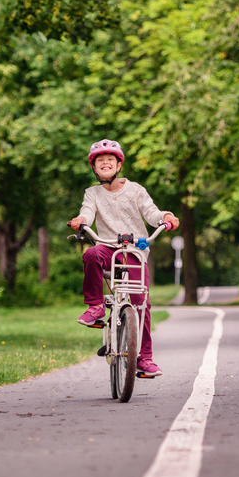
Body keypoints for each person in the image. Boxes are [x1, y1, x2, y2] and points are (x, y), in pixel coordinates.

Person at [68, 139, 180, 378]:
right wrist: (82, 221)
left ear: (119, 165)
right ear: (94, 169)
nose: (105, 163)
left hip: (136, 253)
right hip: (109, 249)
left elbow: (151, 212)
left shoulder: (136, 190)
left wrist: (166, 216)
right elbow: (87, 212)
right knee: (90, 253)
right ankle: (96, 307)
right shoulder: (92, 193)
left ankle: (144, 358)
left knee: (142, 304)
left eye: (110, 160)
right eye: (100, 161)